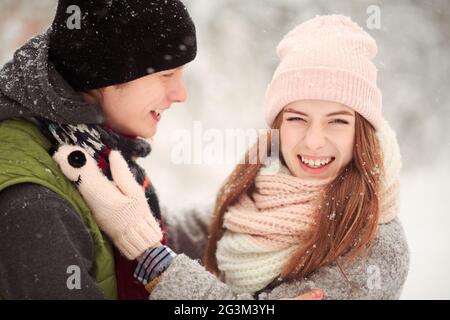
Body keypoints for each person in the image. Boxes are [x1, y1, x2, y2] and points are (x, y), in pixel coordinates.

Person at [53, 15, 409, 299]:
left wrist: (151, 256)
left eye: (337, 122)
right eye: (297, 118)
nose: (314, 141)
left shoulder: (376, 247)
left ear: (362, 131)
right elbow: (199, 230)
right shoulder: (268, 183)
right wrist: (123, 198)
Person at [0, 0, 196, 299]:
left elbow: (161, 231)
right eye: (166, 75)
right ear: (104, 72)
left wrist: (240, 203)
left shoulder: (85, 145)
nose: (180, 94)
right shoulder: (35, 205)